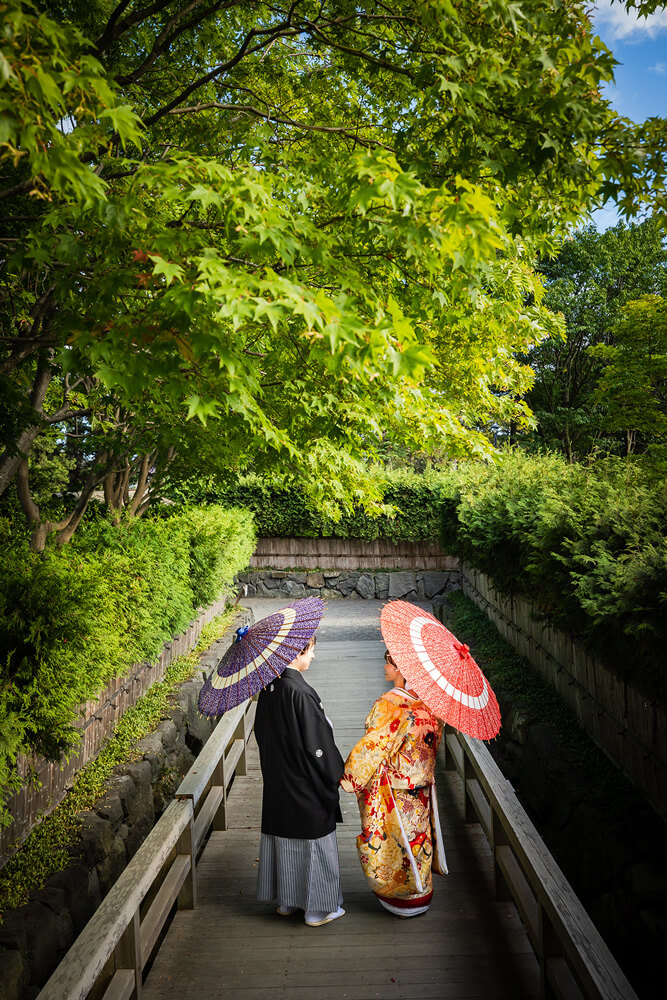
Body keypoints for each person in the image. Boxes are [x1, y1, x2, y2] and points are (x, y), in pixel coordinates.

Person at [340, 648, 447, 917]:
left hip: (397, 791)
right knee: (419, 840)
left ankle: (401, 896)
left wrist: (351, 776)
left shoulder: (390, 704)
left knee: (397, 842)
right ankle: (421, 895)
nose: (384, 667)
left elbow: (373, 746)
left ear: (400, 668)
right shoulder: (429, 704)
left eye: (387, 663)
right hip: (422, 787)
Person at [254, 634, 346, 927]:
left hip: (279, 778)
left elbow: (260, 733)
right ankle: (318, 909)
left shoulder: (269, 687)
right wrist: (335, 774)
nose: (313, 657)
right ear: (296, 653)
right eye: (311, 651)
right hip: (305, 782)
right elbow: (317, 747)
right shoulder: (300, 693)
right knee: (313, 841)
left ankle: (289, 900)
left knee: (284, 837)